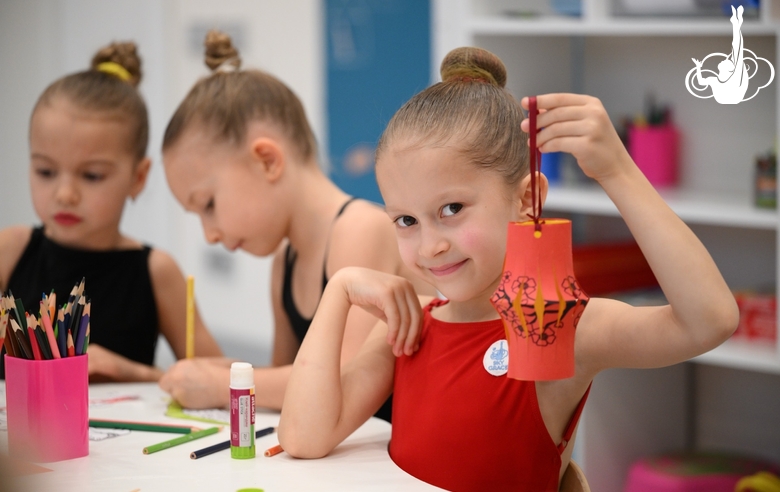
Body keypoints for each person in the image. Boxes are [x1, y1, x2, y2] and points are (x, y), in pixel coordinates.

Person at [278, 47, 739, 491]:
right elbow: (303, 437)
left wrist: (617, 171)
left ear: (527, 199)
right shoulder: (407, 329)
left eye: (452, 208)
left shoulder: (557, 329)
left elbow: (709, 321)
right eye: (406, 221)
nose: (430, 245)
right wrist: (338, 290)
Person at [158, 30, 431, 419]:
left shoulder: (360, 229)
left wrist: (223, 384)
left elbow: (338, 383)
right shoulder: (284, 263)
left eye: (209, 205)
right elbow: (290, 390)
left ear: (267, 160)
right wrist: (226, 372)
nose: (210, 234)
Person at [0, 41, 223, 382]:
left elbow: (221, 382)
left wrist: (129, 371)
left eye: (92, 175)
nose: (65, 194)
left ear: (138, 177)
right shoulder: (10, 250)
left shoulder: (157, 273)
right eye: (45, 171)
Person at [692, 5, 748, 104]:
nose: (725, 59)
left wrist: (736, 25)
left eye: (728, 61)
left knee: (737, 50)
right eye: (729, 60)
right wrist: (698, 67)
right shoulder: (715, 80)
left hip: (732, 97)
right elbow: (701, 82)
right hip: (728, 98)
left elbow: (737, 48)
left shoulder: (734, 78)